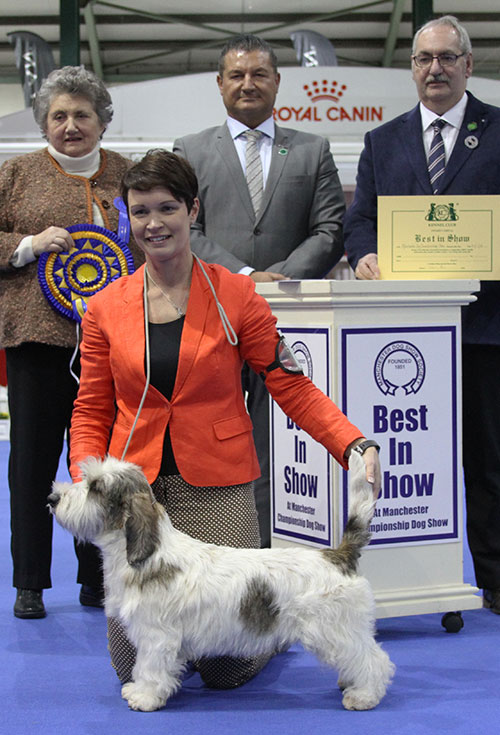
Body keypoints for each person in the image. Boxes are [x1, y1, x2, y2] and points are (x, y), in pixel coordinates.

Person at [69, 149, 381, 689]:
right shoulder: (105, 306)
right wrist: (87, 479)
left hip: (216, 485)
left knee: (228, 668)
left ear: (192, 210)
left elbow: (291, 385)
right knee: (134, 660)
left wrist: (353, 444)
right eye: (139, 211)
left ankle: (280, 626)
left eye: (166, 208)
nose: (153, 223)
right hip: (133, 496)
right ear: (128, 217)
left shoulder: (237, 295)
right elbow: (92, 405)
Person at [344, 15, 500, 614]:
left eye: (445, 57)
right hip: (405, 333)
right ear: (411, 68)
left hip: (485, 330)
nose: (433, 69)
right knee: (412, 458)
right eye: (422, 59)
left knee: (489, 462)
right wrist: (365, 255)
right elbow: (360, 220)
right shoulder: (385, 141)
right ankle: (408, 579)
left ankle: (494, 577)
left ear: (468, 64)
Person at [173, 34, 346, 547]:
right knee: (217, 435)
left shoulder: (313, 149)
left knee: (280, 437)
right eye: (236, 75)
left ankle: (275, 546)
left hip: (293, 318)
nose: (248, 84)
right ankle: (222, 545)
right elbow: (186, 231)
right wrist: (246, 278)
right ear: (220, 84)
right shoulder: (190, 149)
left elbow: (330, 228)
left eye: (259, 75)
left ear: (277, 82)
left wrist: (281, 277)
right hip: (211, 317)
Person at [0, 66, 144, 619]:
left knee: (100, 468)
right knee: (31, 464)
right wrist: (28, 244)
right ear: (43, 124)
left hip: (112, 345)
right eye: (58, 115)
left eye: (82, 114)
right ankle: (30, 581)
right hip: (37, 341)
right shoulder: (15, 174)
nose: (70, 124)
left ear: (102, 121)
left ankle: (96, 578)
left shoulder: (128, 177)